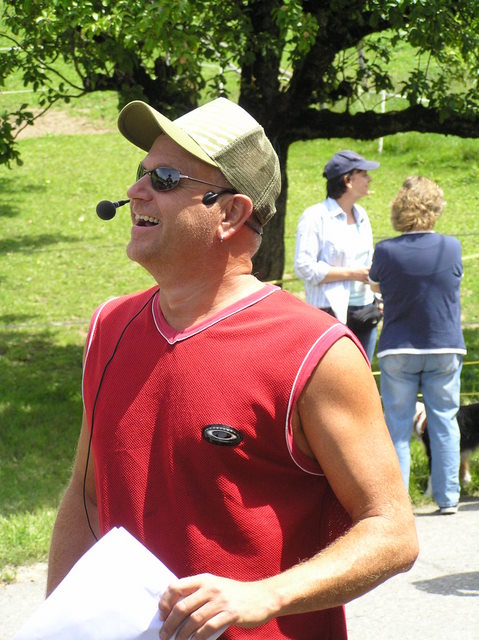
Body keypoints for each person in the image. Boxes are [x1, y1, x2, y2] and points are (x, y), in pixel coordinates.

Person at [46, 97, 418, 639]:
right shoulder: (109, 327)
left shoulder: (316, 351)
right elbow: (88, 499)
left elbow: (392, 531)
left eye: (165, 179)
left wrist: (267, 594)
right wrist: (57, 626)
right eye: (141, 172)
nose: (135, 191)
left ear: (230, 213)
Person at [369, 175, 466, 515]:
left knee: (397, 425)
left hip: (398, 346)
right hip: (444, 344)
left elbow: (376, 286)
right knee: (445, 421)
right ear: (434, 209)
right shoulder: (451, 247)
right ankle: (448, 498)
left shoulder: (385, 250)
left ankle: (397, 504)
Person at [294, 150, 381, 362]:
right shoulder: (314, 217)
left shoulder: (362, 216)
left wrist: (379, 299)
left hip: (365, 311)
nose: (369, 178)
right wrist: (352, 273)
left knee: (363, 374)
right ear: (347, 180)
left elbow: (369, 261)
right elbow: (304, 267)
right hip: (329, 312)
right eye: (364, 174)